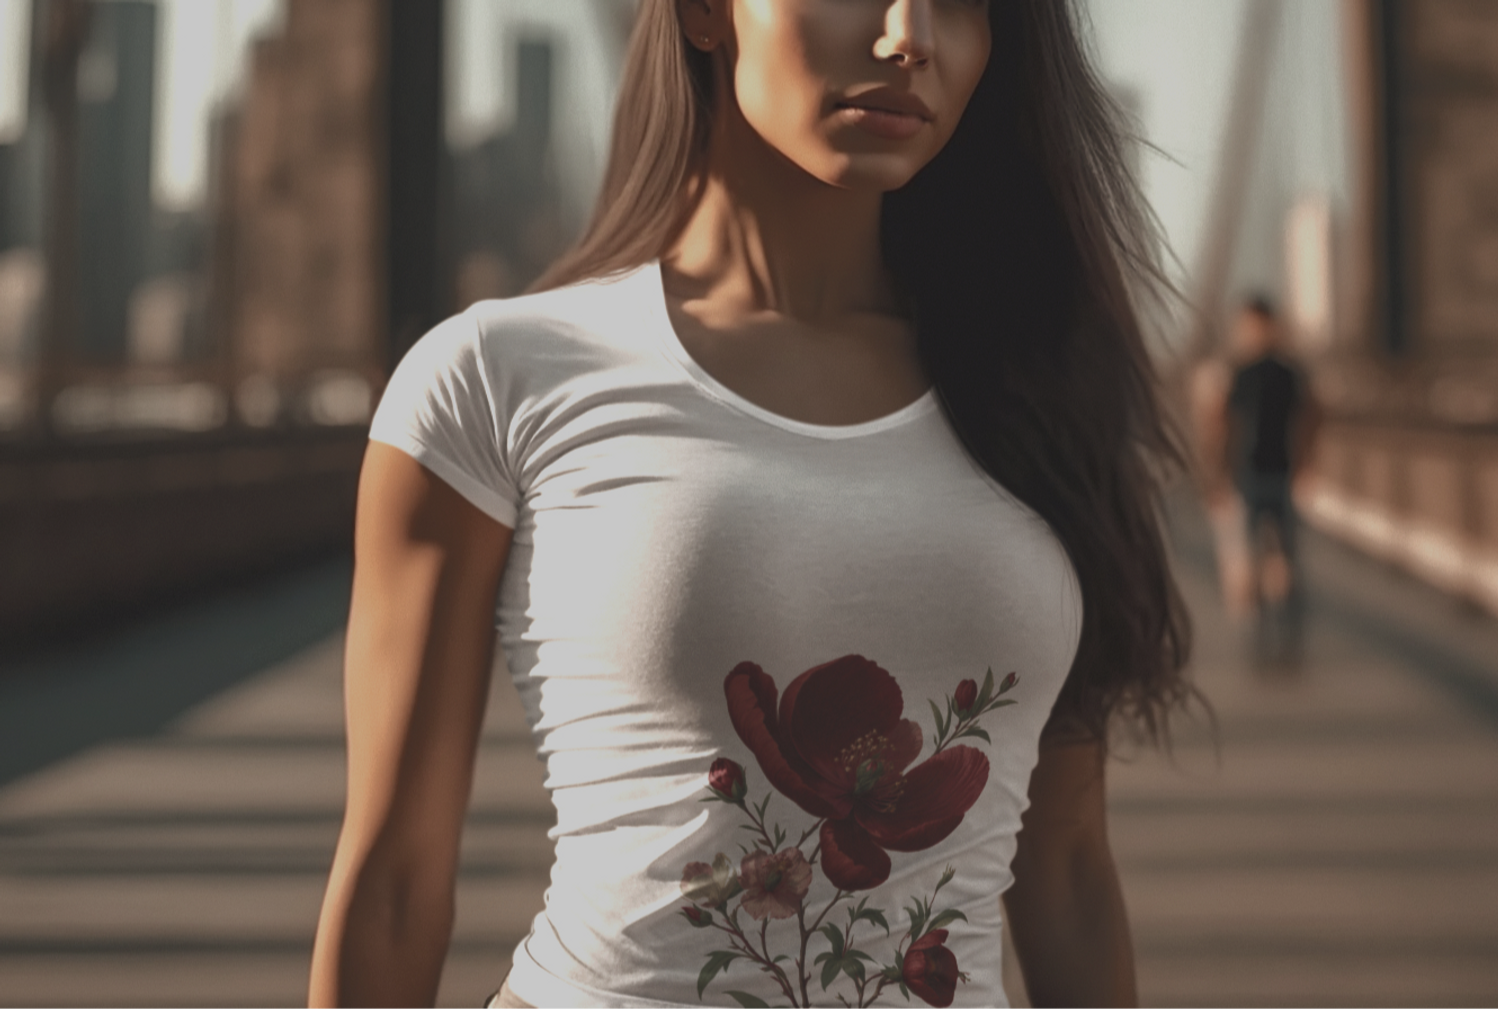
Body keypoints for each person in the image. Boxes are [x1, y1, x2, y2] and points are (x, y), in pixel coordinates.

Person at [308, 2, 1191, 1007]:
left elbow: (1069, 875)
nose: (910, 35)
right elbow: (393, 888)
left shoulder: (1040, 388)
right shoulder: (493, 381)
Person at [1219, 295, 1319, 647]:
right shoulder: (1239, 373)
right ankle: (1261, 637)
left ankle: (1290, 636)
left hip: (1281, 475)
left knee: (1288, 561)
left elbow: (1309, 418)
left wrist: (1306, 463)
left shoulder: (1287, 372)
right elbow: (1227, 426)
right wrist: (1221, 475)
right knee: (1253, 561)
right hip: (1248, 476)